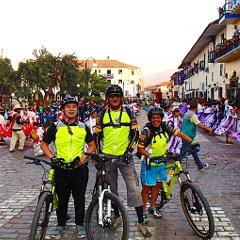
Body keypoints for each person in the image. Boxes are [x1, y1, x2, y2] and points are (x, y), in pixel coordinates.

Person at [95, 84, 152, 237]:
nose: (115, 98)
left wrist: (129, 150)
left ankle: (140, 220)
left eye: (117, 96)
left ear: (121, 98)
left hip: (125, 158)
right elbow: (97, 136)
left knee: (133, 188)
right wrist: (98, 154)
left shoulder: (128, 112)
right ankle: (117, 215)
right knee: (112, 190)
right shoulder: (101, 114)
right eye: (112, 96)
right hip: (107, 157)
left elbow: (135, 134)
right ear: (108, 98)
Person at [41, 96, 96, 239]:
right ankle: (60, 224)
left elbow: (92, 145)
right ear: (63, 109)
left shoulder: (83, 127)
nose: (71, 109)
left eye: (74, 106)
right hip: (61, 168)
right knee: (62, 199)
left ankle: (80, 225)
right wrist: (52, 157)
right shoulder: (56, 126)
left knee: (79, 199)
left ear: (77, 109)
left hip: (79, 170)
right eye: (68, 107)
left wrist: (85, 158)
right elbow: (44, 144)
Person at [137, 107, 194, 220]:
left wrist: (192, 141)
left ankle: (152, 207)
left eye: (158, 118)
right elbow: (140, 148)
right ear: (150, 119)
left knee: (157, 187)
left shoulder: (165, 126)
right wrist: (151, 156)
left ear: (161, 118)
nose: (156, 120)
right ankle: (143, 211)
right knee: (147, 188)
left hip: (161, 163)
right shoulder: (146, 131)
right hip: (149, 164)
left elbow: (178, 134)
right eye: (153, 118)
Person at [179, 100, 213, 171]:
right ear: (196, 107)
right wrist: (209, 129)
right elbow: (200, 125)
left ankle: (200, 165)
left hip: (185, 134)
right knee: (183, 152)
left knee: (193, 150)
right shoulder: (193, 115)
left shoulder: (187, 113)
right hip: (188, 136)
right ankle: (176, 166)